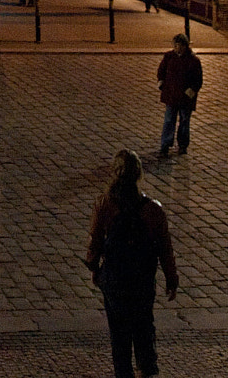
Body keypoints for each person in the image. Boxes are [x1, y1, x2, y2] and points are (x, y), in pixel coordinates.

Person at [84, 149, 179, 378]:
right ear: (139, 175)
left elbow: (95, 242)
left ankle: (124, 373)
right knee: (144, 328)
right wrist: (171, 278)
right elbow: (165, 248)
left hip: (115, 281)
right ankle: (145, 370)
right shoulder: (153, 210)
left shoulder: (105, 205)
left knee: (120, 336)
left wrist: (94, 268)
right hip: (142, 281)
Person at [156, 33, 203, 158]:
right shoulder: (169, 57)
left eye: (180, 46)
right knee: (169, 120)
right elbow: (161, 71)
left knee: (184, 121)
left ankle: (183, 145)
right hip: (171, 95)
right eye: (175, 45)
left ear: (185, 46)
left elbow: (198, 80)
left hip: (185, 98)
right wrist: (161, 82)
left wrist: (190, 91)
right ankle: (165, 144)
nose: (177, 48)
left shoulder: (193, 60)